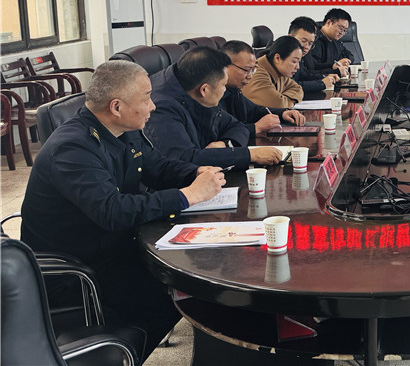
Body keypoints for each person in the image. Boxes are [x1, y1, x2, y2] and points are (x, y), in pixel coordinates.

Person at [20, 61, 226, 361]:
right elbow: (112, 211)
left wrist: (196, 173)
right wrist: (187, 195)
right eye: (146, 97)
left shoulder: (122, 129)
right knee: (180, 295)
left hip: (118, 245)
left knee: (200, 275)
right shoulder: (73, 148)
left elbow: (157, 167)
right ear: (116, 106)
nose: (153, 106)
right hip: (80, 269)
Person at [146, 46, 283, 169]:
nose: (225, 90)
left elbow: (237, 126)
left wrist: (224, 144)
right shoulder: (161, 108)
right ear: (204, 90)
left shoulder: (195, 84)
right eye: (223, 85)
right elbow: (184, 160)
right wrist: (250, 155)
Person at [220, 40, 306, 142]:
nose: (250, 76)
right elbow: (223, 131)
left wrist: (283, 114)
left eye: (253, 70)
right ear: (224, 65)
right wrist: (256, 127)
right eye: (246, 70)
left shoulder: (234, 90)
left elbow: (254, 110)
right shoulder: (214, 94)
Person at [243, 35, 305, 108]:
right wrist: (289, 102)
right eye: (294, 61)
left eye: (298, 62)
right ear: (277, 58)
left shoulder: (279, 71)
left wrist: (285, 101)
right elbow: (279, 105)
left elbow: (298, 89)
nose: (298, 67)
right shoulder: (257, 74)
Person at [288, 16, 339, 94]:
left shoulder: (297, 56)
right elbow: (292, 87)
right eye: (303, 41)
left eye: (310, 43)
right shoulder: (283, 57)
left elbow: (304, 75)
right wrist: (322, 84)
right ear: (290, 38)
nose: (306, 47)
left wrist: (327, 77)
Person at [304, 8, 354, 77]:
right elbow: (312, 67)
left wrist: (345, 62)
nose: (342, 33)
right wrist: (333, 65)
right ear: (329, 23)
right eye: (341, 28)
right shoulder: (313, 40)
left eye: (345, 30)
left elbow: (350, 56)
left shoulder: (335, 41)